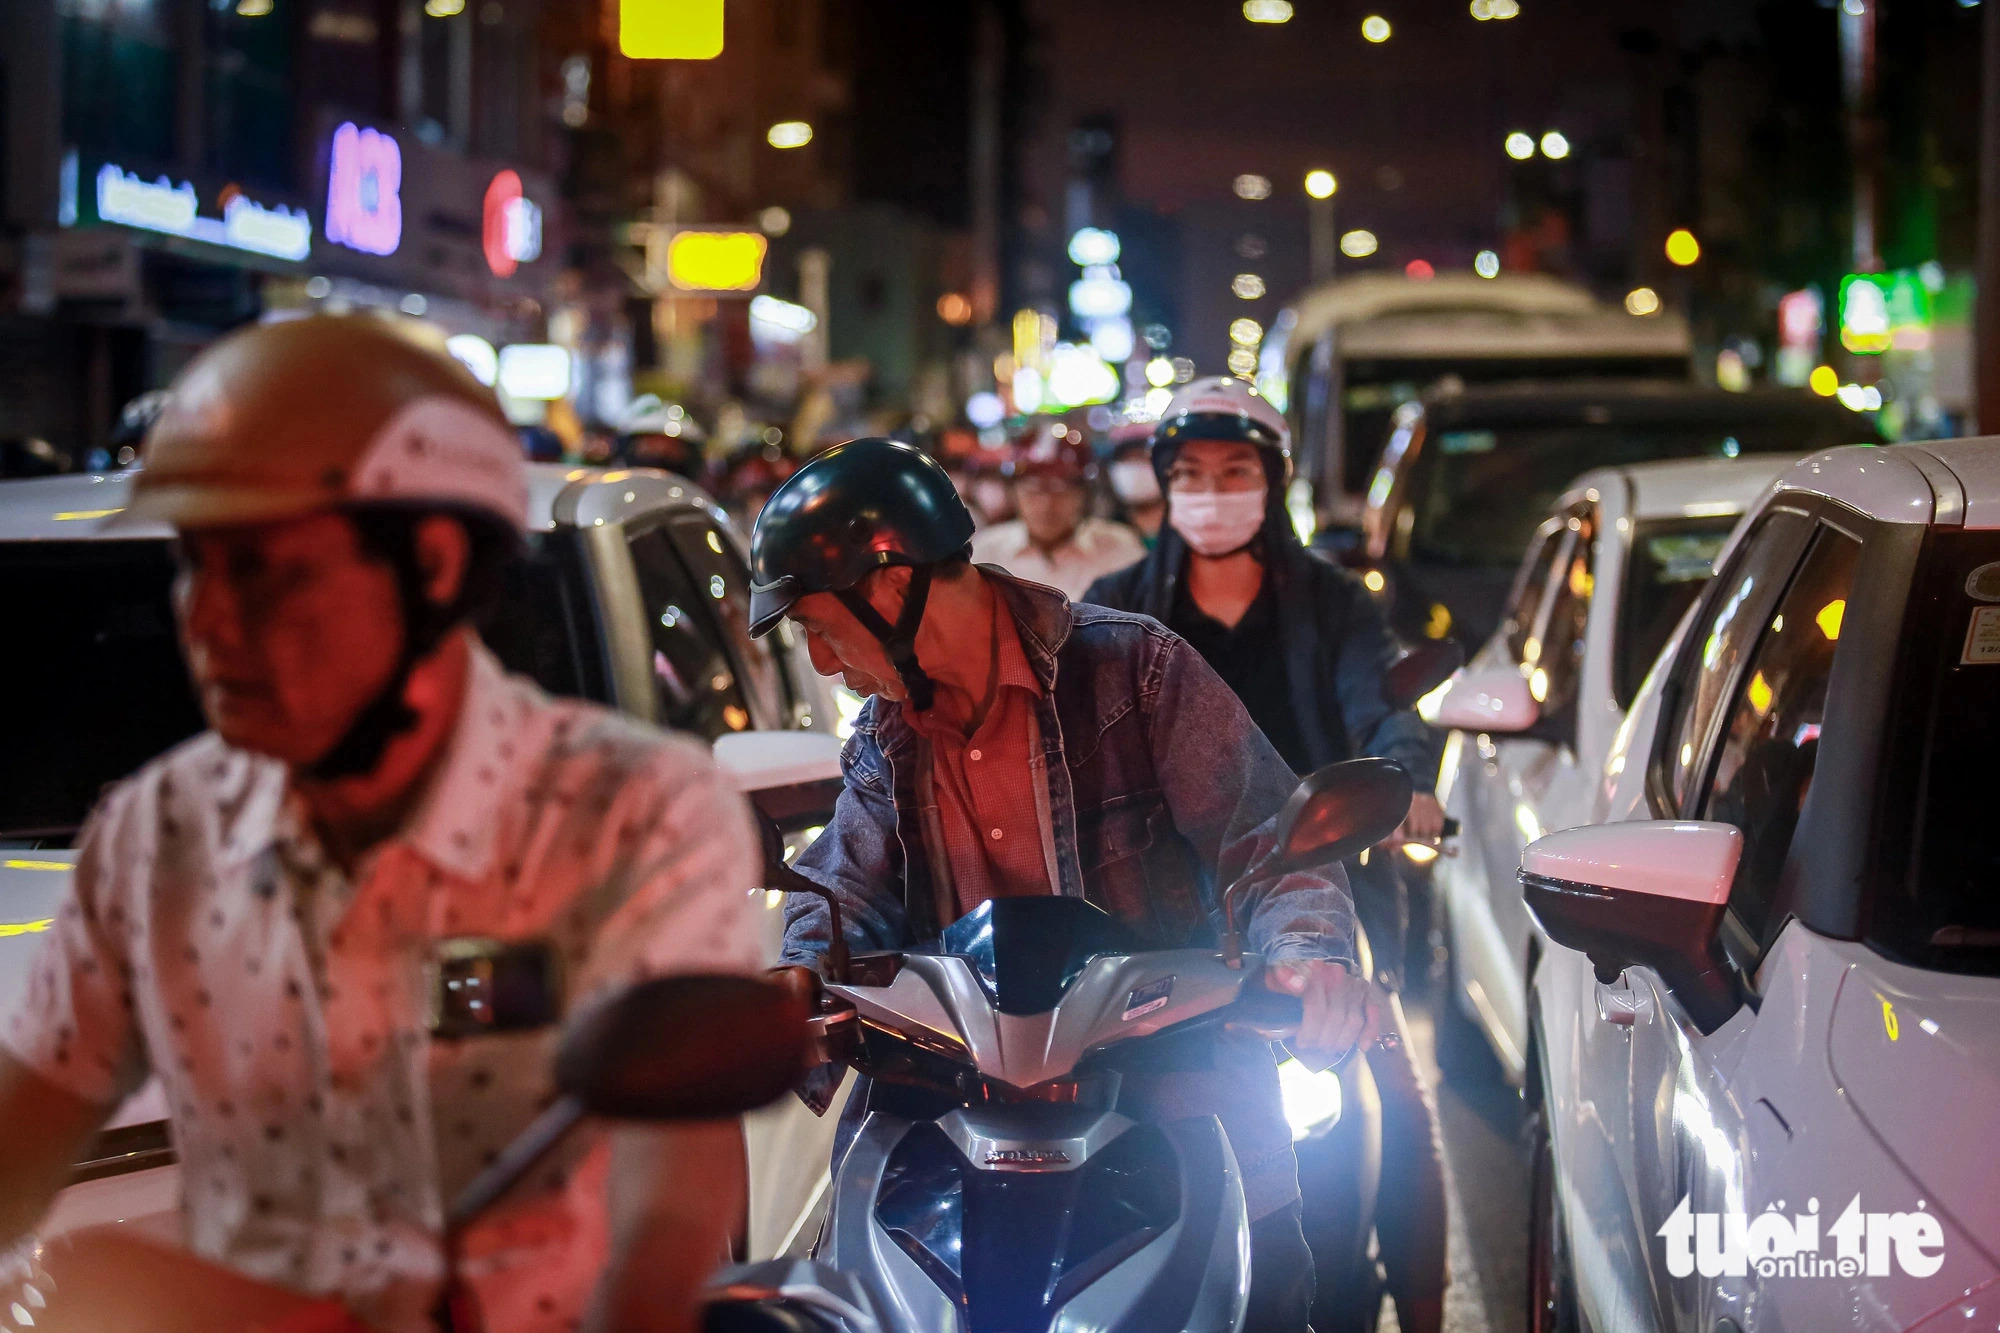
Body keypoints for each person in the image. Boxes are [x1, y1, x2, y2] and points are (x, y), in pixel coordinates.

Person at [0, 317, 763, 1333]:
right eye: (196, 563)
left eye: (266, 570)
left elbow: (674, 1196)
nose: (209, 619)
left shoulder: (631, 816)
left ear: (434, 565)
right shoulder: (158, 833)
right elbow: (29, 1123)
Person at [746, 437, 1383, 1333]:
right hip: (954, 1120)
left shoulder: (1136, 670)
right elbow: (845, 887)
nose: (819, 660)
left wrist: (1309, 958)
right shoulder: (887, 733)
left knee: (1265, 1296)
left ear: (888, 586)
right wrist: (796, 980)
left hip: (1172, 1093)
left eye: (818, 625)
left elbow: (1268, 841)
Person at [1085, 376, 1448, 1333]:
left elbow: (1384, 714)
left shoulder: (1334, 606)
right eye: (1191, 473)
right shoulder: (1114, 611)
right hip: (1148, 923)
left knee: (1398, 1104)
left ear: (1272, 482)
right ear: (1162, 485)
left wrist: (1406, 785)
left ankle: (1425, 1311)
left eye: (1234, 470)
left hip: (1309, 904)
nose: (1211, 491)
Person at [967, 420, 1146, 601]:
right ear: (1013, 492)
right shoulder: (986, 553)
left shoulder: (1119, 548)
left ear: (1084, 495)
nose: (1047, 504)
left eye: (1061, 489)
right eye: (1033, 489)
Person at [1105, 424, 1166, 544]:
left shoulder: (1188, 531)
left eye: (1142, 457)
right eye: (1126, 459)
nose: (1135, 468)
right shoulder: (1105, 539)